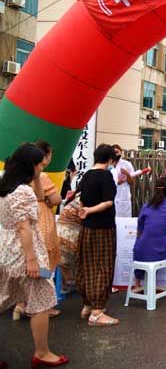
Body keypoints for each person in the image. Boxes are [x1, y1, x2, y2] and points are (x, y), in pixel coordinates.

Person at [0, 143, 69, 367]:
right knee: (41, 300)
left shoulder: (6, 186)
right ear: (30, 165)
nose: (43, 167)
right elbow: (24, 227)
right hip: (24, 251)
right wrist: (31, 260)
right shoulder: (23, 191)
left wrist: (37, 176)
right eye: (40, 164)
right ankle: (42, 352)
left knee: (3, 298)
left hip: (6, 249)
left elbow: (39, 196)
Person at [13, 141, 62, 320]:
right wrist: (49, 200)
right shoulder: (40, 177)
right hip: (40, 222)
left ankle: (20, 304)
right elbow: (54, 199)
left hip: (14, 231)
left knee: (24, 267)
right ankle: (39, 307)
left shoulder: (13, 179)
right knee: (43, 263)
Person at [72, 144, 119, 326]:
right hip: (103, 228)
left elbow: (81, 199)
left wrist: (84, 210)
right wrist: (90, 210)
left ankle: (87, 305)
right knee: (102, 267)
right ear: (110, 160)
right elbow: (108, 202)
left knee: (85, 265)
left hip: (86, 228)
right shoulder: (105, 176)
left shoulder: (87, 175)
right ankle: (97, 312)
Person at [111, 144, 150, 218]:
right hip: (111, 197)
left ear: (121, 152)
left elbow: (132, 182)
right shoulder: (108, 164)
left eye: (117, 152)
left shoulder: (127, 164)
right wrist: (117, 182)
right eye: (113, 152)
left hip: (123, 198)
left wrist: (127, 174)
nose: (115, 154)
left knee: (124, 220)